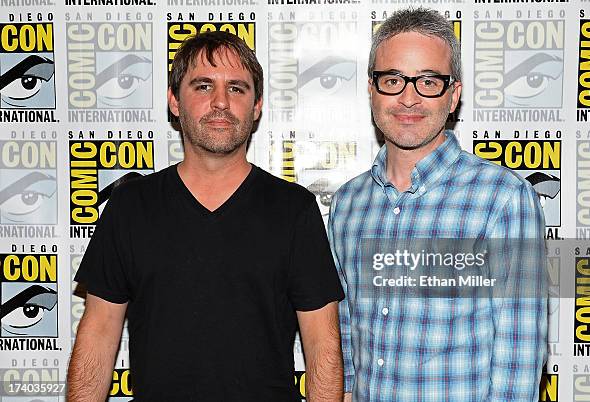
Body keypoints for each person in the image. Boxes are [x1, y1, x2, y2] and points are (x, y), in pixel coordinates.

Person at [68, 31, 344, 401]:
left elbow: (322, 344)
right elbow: (99, 330)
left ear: (257, 105)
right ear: (174, 101)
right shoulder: (130, 205)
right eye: (202, 86)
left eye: (236, 88)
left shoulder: (294, 208)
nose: (220, 102)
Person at [328, 8, 548, 402]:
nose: (408, 97)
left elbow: (518, 358)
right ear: (371, 90)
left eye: (428, 81)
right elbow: (344, 332)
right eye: (392, 79)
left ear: (453, 96)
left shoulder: (502, 199)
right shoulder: (347, 204)